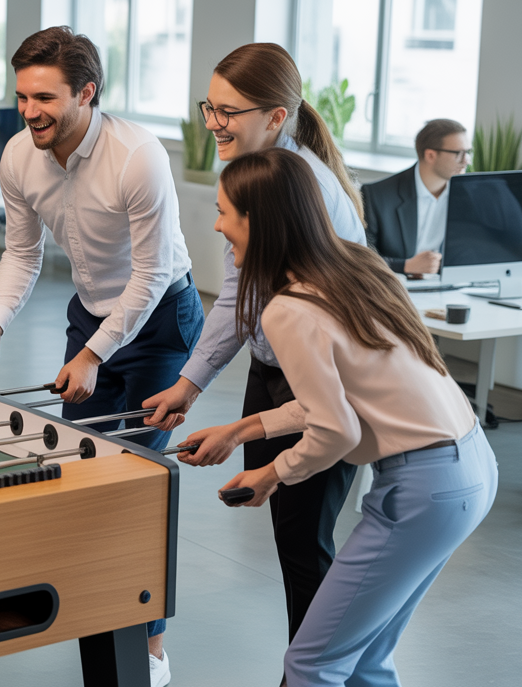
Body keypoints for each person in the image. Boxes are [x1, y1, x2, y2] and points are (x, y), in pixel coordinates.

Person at [176, 147, 496, 686]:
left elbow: (336, 428)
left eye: (225, 211)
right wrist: (243, 429)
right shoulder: (357, 267)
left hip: (422, 487)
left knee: (312, 662)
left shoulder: (289, 308)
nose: (217, 224)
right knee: (365, 657)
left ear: (261, 220)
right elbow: (344, 399)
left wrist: (271, 474)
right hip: (468, 468)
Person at [0, 26, 203, 687]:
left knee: (137, 479)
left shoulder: (137, 156)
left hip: (161, 319)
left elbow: (151, 276)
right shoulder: (20, 155)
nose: (30, 111)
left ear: (87, 92)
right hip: (92, 313)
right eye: (22, 96)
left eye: (45, 97)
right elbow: (21, 251)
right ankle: (89, 600)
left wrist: (94, 353)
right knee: (79, 465)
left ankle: (148, 642)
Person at [143, 43, 367, 652]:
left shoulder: (310, 192)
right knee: (293, 540)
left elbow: (331, 338)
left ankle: (313, 669)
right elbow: (239, 297)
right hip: (273, 370)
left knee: (304, 547)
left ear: (275, 116)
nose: (213, 122)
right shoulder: (252, 174)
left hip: (319, 380)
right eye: (208, 107)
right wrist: (189, 384)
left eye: (228, 111)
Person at [363, 119, 470, 276]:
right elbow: (360, 258)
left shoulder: (467, 196)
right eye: (459, 154)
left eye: (468, 152)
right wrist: (405, 266)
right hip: (395, 288)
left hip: (451, 287)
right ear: (430, 155)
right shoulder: (377, 195)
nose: (466, 160)